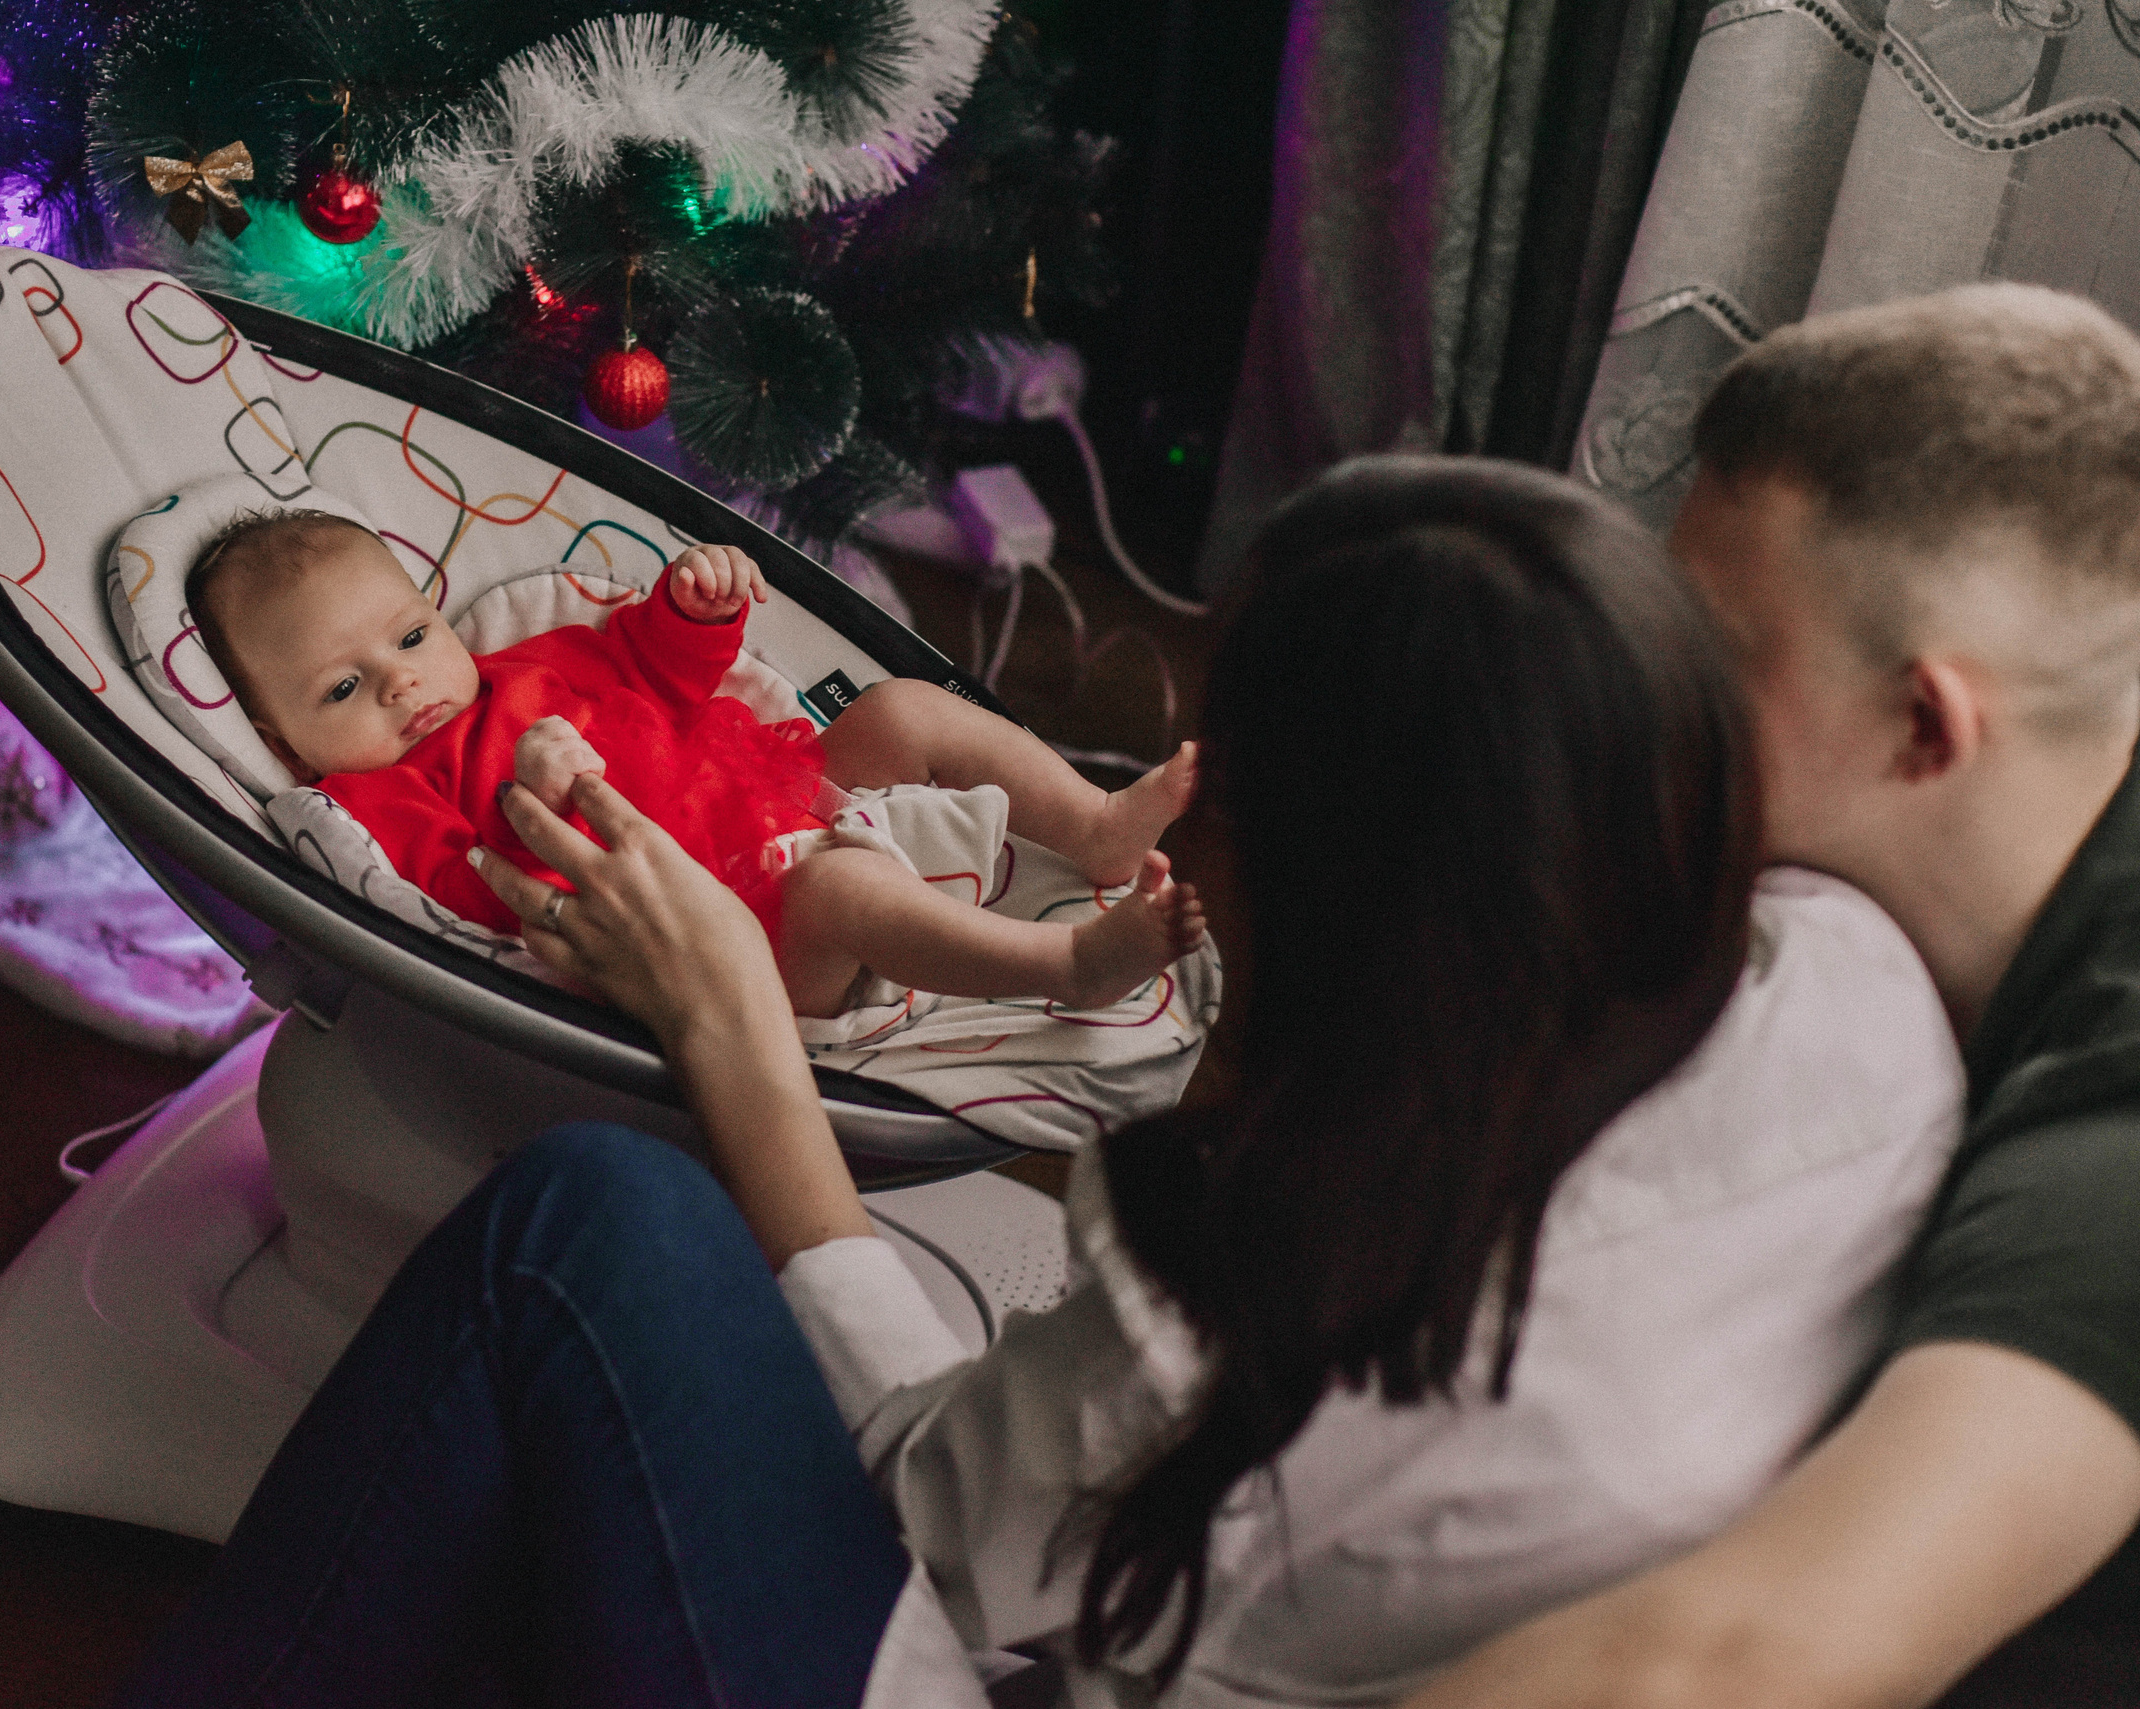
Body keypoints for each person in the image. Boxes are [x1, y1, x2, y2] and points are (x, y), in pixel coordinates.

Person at [106, 460, 1961, 1708]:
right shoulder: (1854, 986)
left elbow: (933, 1498)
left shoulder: (1237, 1303)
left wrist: (741, 1029)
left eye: (1218, 775)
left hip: (987, 1660)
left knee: (584, 1212)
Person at [1399, 284, 2140, 1708]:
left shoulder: (2106, 1170)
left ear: (1926, 723)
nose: (1649, 696)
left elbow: (1719, 1663)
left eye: (1714, 654)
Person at [186, 519, 1203, 1016]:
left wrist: (694, 608)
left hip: (770, 786)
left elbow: (654, 669)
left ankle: (1095, 820)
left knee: (898, 707)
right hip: (726, 931)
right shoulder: (376, 796)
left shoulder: (523, 660)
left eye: (409, 637)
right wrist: (527, 803)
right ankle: (1066, 968)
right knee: (838, 889)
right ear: (282, 743)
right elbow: (470, 896)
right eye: (340, 690)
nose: (401, 685)